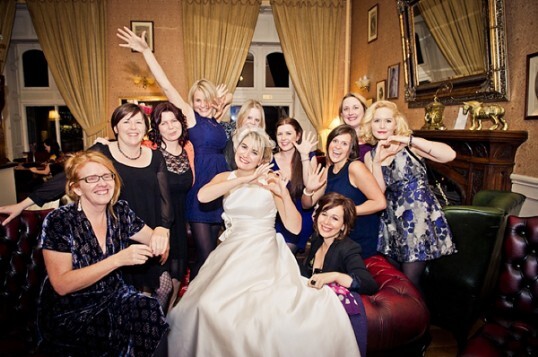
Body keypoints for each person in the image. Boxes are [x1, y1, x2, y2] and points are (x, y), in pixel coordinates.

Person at [166, 127, 361, 356]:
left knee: (259, 313)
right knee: (202, 306)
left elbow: (294, 227)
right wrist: (245, 178)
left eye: (254, 151)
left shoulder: (271, 179)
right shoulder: (224, 177)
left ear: (263, 158)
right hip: (231, 252)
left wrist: (283, 192)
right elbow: (203, 196)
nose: (246, 154)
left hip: (263, 250)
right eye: (243, 147)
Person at [0, 103, 173, 309]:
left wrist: (163, 229)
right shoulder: (102, 151)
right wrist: (24, 203)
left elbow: (165, 197)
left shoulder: (154, 156)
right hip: (113, 231)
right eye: (126, 122)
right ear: (115, 128)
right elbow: (67, 178)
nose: (133, 127)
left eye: (138, 122)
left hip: (144, 227)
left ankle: (150, 331)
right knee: (123, 294)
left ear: (146, 128)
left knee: (163, 285)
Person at [118, 27, 231, 279]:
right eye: (197, 100)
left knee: (215, 256)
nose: (201, 104)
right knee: (205, 259)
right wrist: (147, 52)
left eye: (206, 99)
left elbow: (225, 109)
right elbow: (167, 87)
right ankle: (195, 307)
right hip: (200, 190)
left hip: (220, 190)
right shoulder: (190, 118)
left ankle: (204, 304)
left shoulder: (216, 120)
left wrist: (221, 103)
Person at [37, 151, 168, 355]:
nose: (102, 183)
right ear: (76, 188)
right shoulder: (59, 221)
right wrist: (117, 260)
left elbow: (158, 245)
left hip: (113, 295)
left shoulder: (120, 212)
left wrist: (160, 231)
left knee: (149, 309)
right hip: (71, 310)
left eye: (107, 176)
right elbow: (62, 285)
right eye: (91, 178)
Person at [362, 100, 457, 288]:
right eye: (377, 121)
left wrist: (409, 140)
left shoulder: (411, 146)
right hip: (392, 221)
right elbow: (378, 192)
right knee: (399, 281)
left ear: (396, 123)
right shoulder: (370, 156)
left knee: (411, 281)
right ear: (369, 124)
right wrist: (378, 163)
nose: (382, 126)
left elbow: (450, 155)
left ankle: (420, 316)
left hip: (418, 221)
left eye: (388, 121)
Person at [301, 192, 379, 356]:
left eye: (335, 218)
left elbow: (369, 284)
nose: (327, 222)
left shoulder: (348, 248)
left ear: (344, 225)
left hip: (330, 318)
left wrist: (335, 276)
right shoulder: (317, 239)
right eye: (324, 214)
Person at [302, 124, 387, 259]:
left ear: (350, 149)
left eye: (344, 143)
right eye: (335, 141)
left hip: (358, 239)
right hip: (336, 237)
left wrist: (345, 211)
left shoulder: (355, 167)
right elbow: (307, 204)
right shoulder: (329, 171)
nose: (337, 146)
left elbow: (380, 203)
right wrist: (308, 190)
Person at [148, 102, 194, 307]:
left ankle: (167, 324)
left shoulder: (189, 150)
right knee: (161, 285)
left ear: (181, 123)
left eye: (173, 120)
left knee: (177, 281)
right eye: (163, 123)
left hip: (182, 224)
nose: (170, 126)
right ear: (156, 128)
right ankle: (153, 327)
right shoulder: (150, 152)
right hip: (158, 225)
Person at [272, 117, 318, 254]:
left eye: (288, 133)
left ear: (298, 135)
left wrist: (304, 157)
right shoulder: (271, 160)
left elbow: (310, 185)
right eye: (280, 134)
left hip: (303, 214)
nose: (283, 138)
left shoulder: (309, 156)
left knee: (285, 250)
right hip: (279, 215)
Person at [224, 99, 265, 170]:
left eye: (257, 120)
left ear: (260, 124)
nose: (253, 122)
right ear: (241, 117)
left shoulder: (262, 145)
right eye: (249, 118)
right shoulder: (226, 135)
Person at [339, 93, 372, 161]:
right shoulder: (336, 140)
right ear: (342, 114)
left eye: (355, 108)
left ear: (365, 110)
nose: (350, 113)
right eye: (346, 109)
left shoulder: (374, 140)